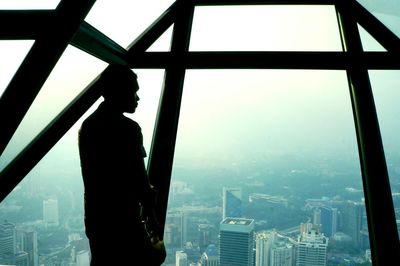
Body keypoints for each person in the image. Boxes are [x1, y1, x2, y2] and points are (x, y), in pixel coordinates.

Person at [78, 64, 166, 265]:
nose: (137, 98)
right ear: (120, 92)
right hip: (124, 220)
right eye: (134, 91)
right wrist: (151, 214)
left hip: (98, 219)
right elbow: (140, 179)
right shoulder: (128, 130)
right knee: (153, 257)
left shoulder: (88, 126)